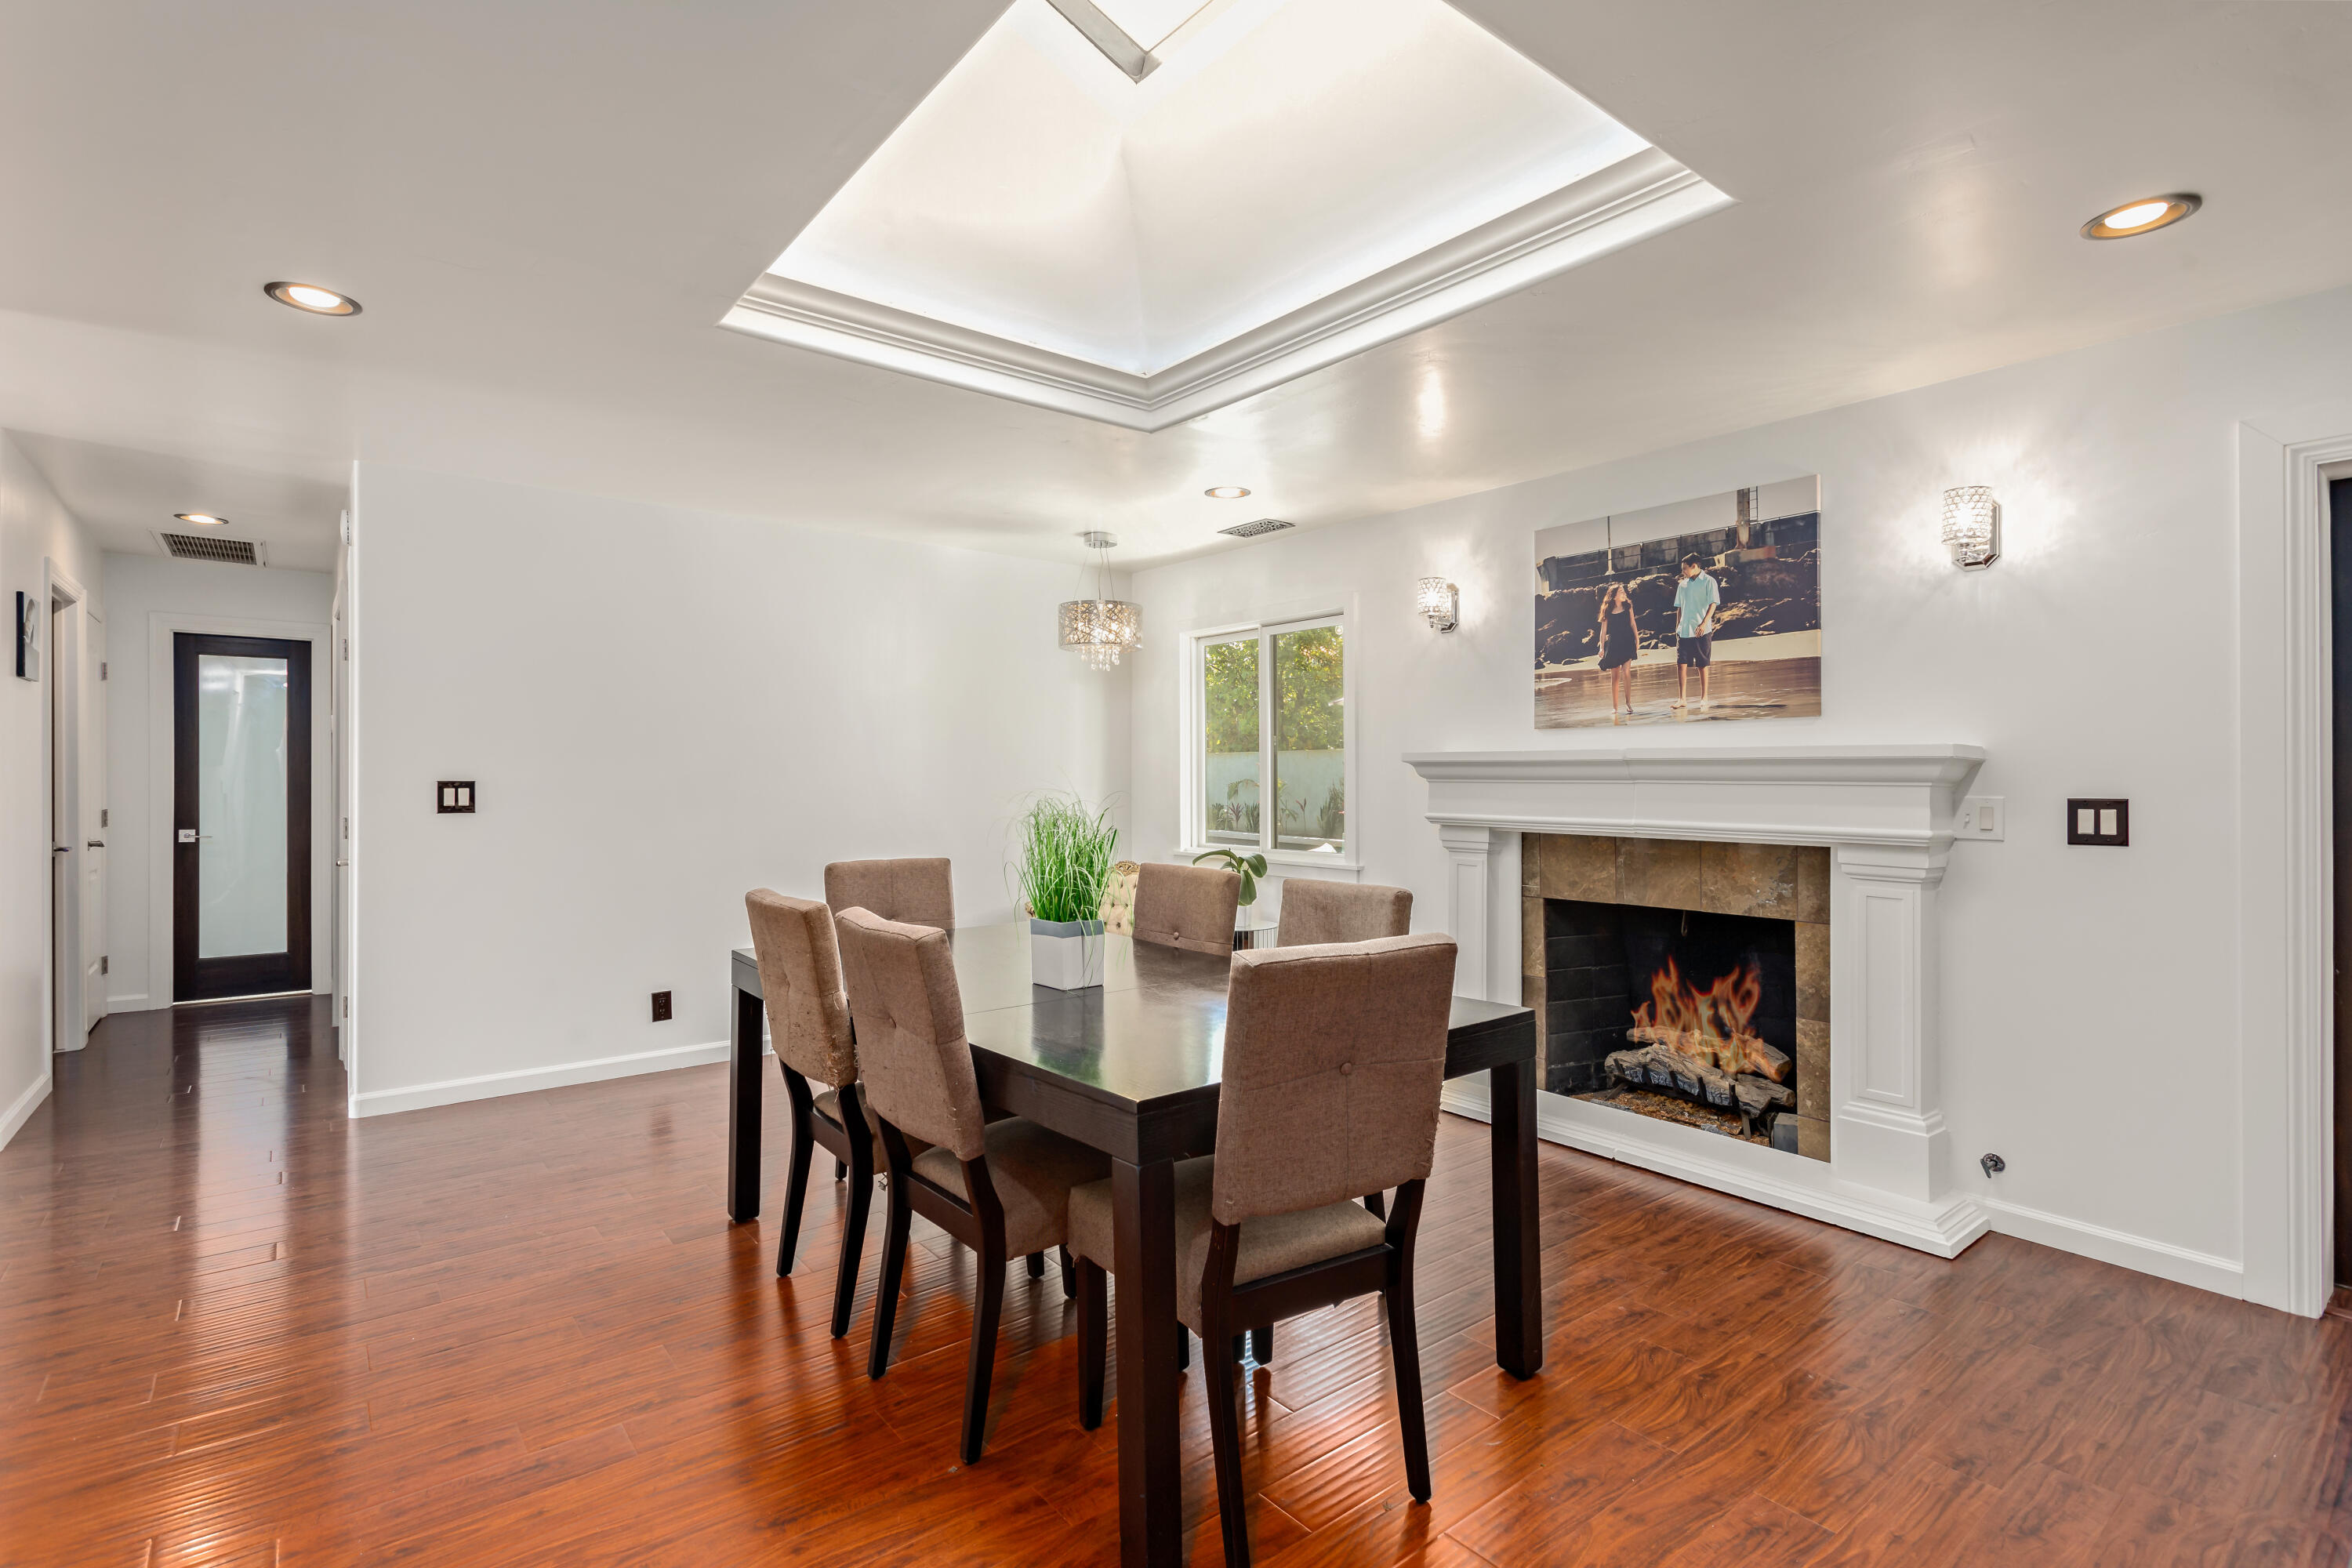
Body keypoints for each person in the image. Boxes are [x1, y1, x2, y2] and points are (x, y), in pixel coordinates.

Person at [1671, 553, 1719, 710]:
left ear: (1694, 566)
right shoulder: (1682, 585)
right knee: (1681, 664)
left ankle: (1704, 698)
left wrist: (1704, 624)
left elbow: (1713, 604)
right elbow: (1679, 607)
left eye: (1685, 569)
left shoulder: (1709, 581)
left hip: (1701, 631)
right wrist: (1677, 626)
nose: (1683, 572)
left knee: (1702, 665)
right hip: (1683, 631)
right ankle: (1682, 699)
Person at [1595, 581, 1639, 720]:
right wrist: (1602, 647)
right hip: (1614, 644)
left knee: (1626, 672)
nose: (1624, 593)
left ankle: (1628, 703)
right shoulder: (1607, 610)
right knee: (1615, 676)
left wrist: (1637, 640)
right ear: (1614, 596)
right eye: (1621, 592)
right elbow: (1603, 631)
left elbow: (1633, 623)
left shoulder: (1628, 606)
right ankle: (1615, 707)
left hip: (1627, 641)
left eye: (1624, 591)